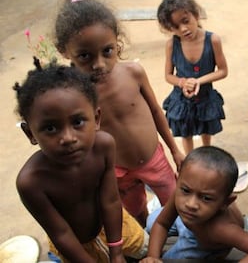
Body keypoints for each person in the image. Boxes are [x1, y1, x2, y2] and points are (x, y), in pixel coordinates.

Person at [54, 0, 185, 227]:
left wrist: (175, 150)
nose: (99, 64)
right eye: (85, 56)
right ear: (64, 51)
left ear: (118, 43)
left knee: (176, 205)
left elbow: (156, 111)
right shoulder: (72, 95)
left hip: (153, 159)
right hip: (116, 172)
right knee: (136, 214)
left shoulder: (133, 73)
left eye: (107, 51)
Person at [14, 61, 148, 263]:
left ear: (96, 118)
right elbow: (60, 233)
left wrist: (116, 251)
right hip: (75, 248)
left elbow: (111, 201)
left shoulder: (103, 146)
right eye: (50, 128)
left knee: (148, 252)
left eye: (77, 122)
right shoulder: (31, 182)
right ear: (30, 133)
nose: (68, 137)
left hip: (115, 228)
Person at [141, 146, 248, 262]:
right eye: (186, 190)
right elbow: (162, 223)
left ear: (225, 203)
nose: (191, 204)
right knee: (151, 221)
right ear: (178, 181)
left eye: (206, 198)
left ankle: (244, 231)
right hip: (190, 222)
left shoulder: (221, 229)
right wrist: (153, 257)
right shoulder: (181, 194)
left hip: (202, 243)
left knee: (171, 258)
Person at [157, 0, 228, 154]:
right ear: (169, 28)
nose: (183, 29)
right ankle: (190, 160)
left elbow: (223, 71)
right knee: (185, 132)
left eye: (186, 21)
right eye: (175, 27)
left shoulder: (213, 41)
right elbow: (168, 75)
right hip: (182, 100)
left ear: (196, 15)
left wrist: (198, 81)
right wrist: (182, 82)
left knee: (206, 129)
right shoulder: (171, 45)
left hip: (205, 97)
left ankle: (206, 154)